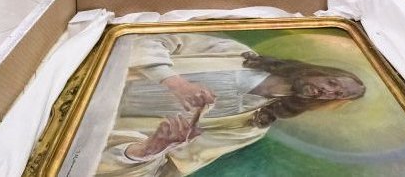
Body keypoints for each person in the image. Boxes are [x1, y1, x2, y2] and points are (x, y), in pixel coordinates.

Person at [95, 33, 365, 175]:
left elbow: (173, 166)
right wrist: (175, 82)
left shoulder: (251, 127)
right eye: (332, 83)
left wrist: (160, 145)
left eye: (335, 95)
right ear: (317, 70)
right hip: (102, 78)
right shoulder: (235, 53)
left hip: (101, 128)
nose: (325, 92)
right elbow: (156, 39)